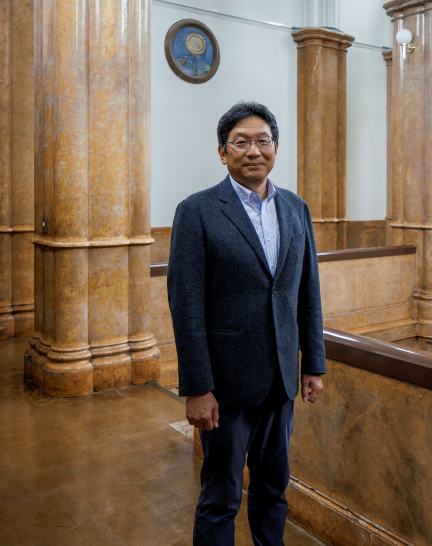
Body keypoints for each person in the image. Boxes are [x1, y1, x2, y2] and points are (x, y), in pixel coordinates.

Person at [168, 101, 326, 546]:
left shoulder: (296, 208)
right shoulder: (197, 210)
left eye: (262, 141)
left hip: (281, 384)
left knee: (273, 491)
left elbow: (306, 291)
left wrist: (313, 363)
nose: (253, 150)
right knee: (220, 497)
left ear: (276, 147)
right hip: (225, 388)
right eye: (241, 142)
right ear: (223, 152)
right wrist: (198, 387)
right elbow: (186, 306)